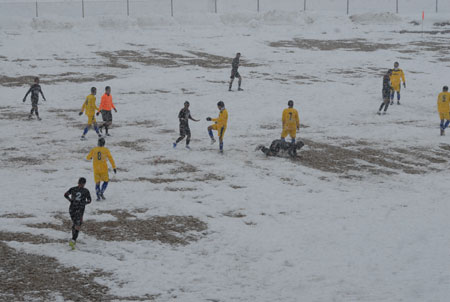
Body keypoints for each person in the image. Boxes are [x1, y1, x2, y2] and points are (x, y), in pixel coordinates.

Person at [64, 177, 92, 250]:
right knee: (78, 224)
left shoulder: (73, 189)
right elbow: (89, 200)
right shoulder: (86, 191)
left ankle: (73, 239)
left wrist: (71, 200)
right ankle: (73, 240)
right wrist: (83, 203)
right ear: (84, 184)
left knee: (75, 223)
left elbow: (65, 195)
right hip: (79, 209)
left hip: (72, 208)